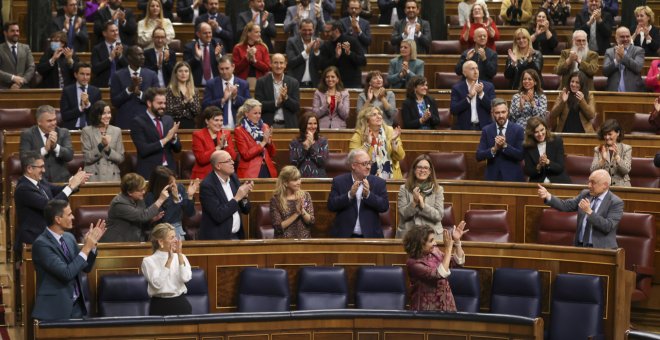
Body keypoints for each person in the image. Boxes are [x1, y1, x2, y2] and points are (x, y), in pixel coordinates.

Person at [31, 200, 106, 320]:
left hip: (76, 307)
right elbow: (66, 273)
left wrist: (92, 246)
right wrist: (86, 247)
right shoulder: (41, 244)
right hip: (55, 310)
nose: (73, 217)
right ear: (58, 219)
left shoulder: (69, 237)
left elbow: (85, 267)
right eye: (69, 214)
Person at [14, 152, 88, 255]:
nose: (44, 170)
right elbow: (49, 206)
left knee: (67, 251)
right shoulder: (23, 189)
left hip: (50, 235)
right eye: (41, 167)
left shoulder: (40, 181)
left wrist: (75, 184)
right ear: (29, 168)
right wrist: (70, 187)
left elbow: (56, 189)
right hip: (34, 239)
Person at [537, 169, 623, 249]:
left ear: (605, 185)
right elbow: (566, 205)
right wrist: (548, 196)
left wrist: (589, 212)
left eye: (593, 183)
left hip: (602, 250)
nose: (589, 185)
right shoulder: (585, 194)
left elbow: (608, 226)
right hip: (580, 247)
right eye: (589, 181)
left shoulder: (615, 202)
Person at [403, 224, 467, 311]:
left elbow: (457, 262)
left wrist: (457, 241)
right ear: (420, 243)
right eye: (431, 241)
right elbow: (439, 274)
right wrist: (448, 249)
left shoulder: (434, 251)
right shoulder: (413, 263)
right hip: (426, 311)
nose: (435, 243)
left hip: (447, 306)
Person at [327, 149, 389, 238]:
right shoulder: (339, 181)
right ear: (353, 165)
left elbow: (384, 206)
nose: (368, 167)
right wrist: (349, 195)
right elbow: (331, 206)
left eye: (369, 163)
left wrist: (368, 195)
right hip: (344, 236)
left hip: (370, 237)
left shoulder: (379, 183)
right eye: (364, 164)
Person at [199, 150, 253, 240]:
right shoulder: (207, 186)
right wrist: (237, 198)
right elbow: (218, 215)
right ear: (218, 166)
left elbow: (246, 210)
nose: (233, 163)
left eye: (232, 160)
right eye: (228, 161)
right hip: (218, 241)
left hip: (237, 237)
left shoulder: (233, 178)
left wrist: (244, 196)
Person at [101, 173, 169, 242]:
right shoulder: (119, 204)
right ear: (130, 192)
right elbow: (142, 216)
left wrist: (151, 220)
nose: (144, 192)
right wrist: (161, 200)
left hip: (134, 241)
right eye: (140, 190)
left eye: (144, 189)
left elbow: (139, 220)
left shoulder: (139, 199)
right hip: (116, 244)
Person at [141, 223, 192, 315]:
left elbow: (185, 278)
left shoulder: (181, 257)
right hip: (160, 306)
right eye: (172, 237)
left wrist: (179, 256)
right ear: (161, 242)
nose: (176, 240)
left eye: (175, 237)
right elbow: (157, 284)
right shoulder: (148, 261)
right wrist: (169, 260)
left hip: (180, 303)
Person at [131, 88, 182, 179]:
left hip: (169, 170)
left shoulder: (168, 120)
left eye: (164, 103)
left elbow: (178, 149)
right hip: (150, 171)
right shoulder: (138, 122)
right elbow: (143, 150)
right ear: (149, 103)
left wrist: (174, 139)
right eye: (159, 103)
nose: (163, 106)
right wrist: (166, 139)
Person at [19, 105, 74, 183]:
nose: (53, 123)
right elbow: (24, 158)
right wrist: (45, 149)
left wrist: (55, 146)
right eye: (49, 121)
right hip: (37, 182)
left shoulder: (63, 132)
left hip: (61, 181)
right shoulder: (28, 134)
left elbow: (69, 156)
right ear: (39, 122)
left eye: (55, 119)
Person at [475, 98, 525, 182]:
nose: (501, 115)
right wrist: (494, 149)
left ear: (507, 112)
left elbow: (521, 155)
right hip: (492, 177)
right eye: (497, 113)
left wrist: (505, 146)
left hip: (513, 177)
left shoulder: (518, 129)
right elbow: (479, 156)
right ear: (492, 113)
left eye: (503, 112)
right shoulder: (486, 130)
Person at [349, 106, 405, 180]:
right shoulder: (359, 135)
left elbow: (400, 157)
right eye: (374, 115)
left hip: (392, 178)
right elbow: (353, 160)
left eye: (379, 114)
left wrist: (394, 142)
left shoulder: (390, 131)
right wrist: (367, 144)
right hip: (368, 180)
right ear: (366, 120)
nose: (378, 116)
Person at [111, 45, 160, 129]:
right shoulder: (117, 75)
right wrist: (129, 89)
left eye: (143, 54)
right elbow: (115, 101)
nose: (143, 57)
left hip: (147, 122)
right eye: (139, 55)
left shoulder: (151, 75)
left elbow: (156, 99)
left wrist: (139, 93)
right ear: (129, 57)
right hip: (125, 122)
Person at [396, 154, 445, 238]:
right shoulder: (404, 188)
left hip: (432, 235)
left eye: (426, 168)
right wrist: (414, 203)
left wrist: (423, 206)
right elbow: (403, 214)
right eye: (419, 167)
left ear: (430, 172)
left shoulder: (438, 189)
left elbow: (439, 215)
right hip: (409, 235)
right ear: (414, 170)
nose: (422, 170)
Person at [145, 167, 199, 240]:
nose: (174, 184)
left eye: (174, 180)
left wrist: (190, 196)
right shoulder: (150, 196)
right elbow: (167, 219)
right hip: (160, 231)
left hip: (177, 230)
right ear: (162, 184)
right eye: (170, 183)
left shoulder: (179, 188)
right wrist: (170, 199)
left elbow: (190, 213)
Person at [201, 56, 251, 128]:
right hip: (216, 127)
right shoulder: (211, 84)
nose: (224, 72)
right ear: (218, 68)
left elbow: (249, 106)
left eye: (227, 68)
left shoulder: (243, 84)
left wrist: (235, 97)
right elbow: (205, 105)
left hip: (238, 126)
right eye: (221, 69)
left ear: (233, 66)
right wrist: (222, 100)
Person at [81, 100, 124, 182]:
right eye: (104, 113)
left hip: (112, 177)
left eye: (109, 113)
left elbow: (120, 158)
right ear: (96, 115)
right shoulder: (87, 131)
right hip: (93, 177)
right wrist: (101, 146)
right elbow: (87, 158)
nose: (107, 116)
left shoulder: (117, 131)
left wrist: (108, 150)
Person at [234, 99, 277, 178]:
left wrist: (269, 142)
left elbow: (272, 154)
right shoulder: (239, 130)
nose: (258, 116)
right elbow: (246, 155)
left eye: (260, 113)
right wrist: (263, 142)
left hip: (267, 168)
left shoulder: (265, 126)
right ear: (246, 114)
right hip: (250, 170)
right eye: (255, 113)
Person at [255, 53, 300, 128]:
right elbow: (258, 105)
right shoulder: (261, 82)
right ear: (270, 64)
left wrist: (286, 98)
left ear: (285, 65)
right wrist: (276, 103)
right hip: (267, 125)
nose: (279, 66)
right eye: (275, 63)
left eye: (281, 63)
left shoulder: (293, 82)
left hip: (288, 125)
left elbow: (296, 107)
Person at [191, 106, 237, 180]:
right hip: (203, 176)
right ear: (207, 121)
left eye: (221, 120)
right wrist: (218, 147)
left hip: (223, 174)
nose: (219, 123)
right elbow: (201, 159)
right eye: (216, 120)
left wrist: (225, 145)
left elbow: (233, 157)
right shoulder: (198, 135)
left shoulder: (226, 134)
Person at [318, 20, 367, 89]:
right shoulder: (326, 45)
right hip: (332, 84)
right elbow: (322, 66)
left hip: (351, 83)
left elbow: (363, 61)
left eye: (328, 32)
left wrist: (349, 53)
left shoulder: (351, 41)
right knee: (332, 100)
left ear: (336, 30)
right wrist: (336, 57)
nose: (325, 34)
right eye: (325, 31)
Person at [270, 165, 315, 239]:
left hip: (304, 241)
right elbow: (278, 227)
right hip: (284, 243)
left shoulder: (305, 195)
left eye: (299, 179)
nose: (299, 182)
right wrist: (297, 213)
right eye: (295, 180)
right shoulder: (276, 200)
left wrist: (302, 210)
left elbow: (311, 221)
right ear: (285, 182)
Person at [522, 116, 571, 183]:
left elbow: (560, 167)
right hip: (538, 182)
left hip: (558, 181)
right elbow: (528, 171)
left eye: (542, 130)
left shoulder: (556, 141)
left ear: (546, 129)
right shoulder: (527, 146)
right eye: (536, 132)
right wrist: (539, 166)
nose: (540, 134)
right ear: (531, 133)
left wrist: (548, 162)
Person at [450, 61, 495, 131]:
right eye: (472, 69)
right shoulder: (457, 88)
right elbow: (453, 110)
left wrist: (481, 94)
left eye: (477, 68)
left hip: (484, 128)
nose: (476, 71)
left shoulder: (488, 87)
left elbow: (493, 108)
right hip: (464, 129)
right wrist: (469, 97)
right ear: (464, 73)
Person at [60, 62, 102, 130]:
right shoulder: (67, 91)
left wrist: (88, 104)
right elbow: (65, 115)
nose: (85, 77)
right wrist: (81, 108)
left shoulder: (96, 91)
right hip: (72, 128)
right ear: (75, 74)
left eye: (88, 74)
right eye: (82, 74)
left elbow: (98, 115)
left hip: (90, 129)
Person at [590, 119, 632, 187]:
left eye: (610, 134)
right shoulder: (598, 149)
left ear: (618, 133)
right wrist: (602, 160)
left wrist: (618, 158)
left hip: (622, 187)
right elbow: (592, 171)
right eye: (605, 134)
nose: (607, 137)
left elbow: (626, 170)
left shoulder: (626, 149)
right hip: (603, 187)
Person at [603, 26, 645, 93]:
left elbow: (637, 68)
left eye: (627, 36)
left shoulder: (638, 50)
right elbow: (605, 72)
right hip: (613, 91)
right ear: (616, 38)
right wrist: (616, 61)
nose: (625, 39)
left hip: (633, 91)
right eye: (622, 37)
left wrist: (623, 56)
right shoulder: (609, 52)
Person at [183, 22, 224, 87]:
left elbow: (224, 64)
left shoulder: (216, 44)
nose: (208, 35)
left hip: (216, 85)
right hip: (196, 86)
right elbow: (185, 67)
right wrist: (196, 57)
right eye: (205, 33)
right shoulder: (189, 47)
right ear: (198, 34)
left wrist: (218, 56)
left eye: (210, 32)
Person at [290, 113, 329, 178]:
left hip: (319, 178)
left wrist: (311, 147)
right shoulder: (295, 142)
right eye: (310, 123)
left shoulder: (323, 141)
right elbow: (293, 164)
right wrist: (305, 149)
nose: (313, 126)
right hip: (299, 178)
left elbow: (323, 163)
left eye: (315, 123)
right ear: (303, 124)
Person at [285, 18, 321, 88]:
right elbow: (291, 62)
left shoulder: (319, 43)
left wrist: (316, 52)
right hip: (296, 84)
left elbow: (320, 66)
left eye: (310, 30)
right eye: (304, 30)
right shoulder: (291, 42)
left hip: (314, 84)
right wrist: (306, 52)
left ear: (313, 30)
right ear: (299, 30)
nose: (307, 33)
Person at [90, 21, 127, 88]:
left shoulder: (124, 48)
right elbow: (95, 69)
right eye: (112, 31)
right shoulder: (97, 49)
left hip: (121, 85)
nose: (116, 33)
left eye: (116, 30)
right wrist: (110, 59)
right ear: (104, 33)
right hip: (102, 85)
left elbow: (128, 67)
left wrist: (120, 56)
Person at [166, 61, 201, 129]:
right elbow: (170, 111)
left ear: (189, 73)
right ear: (175, 73)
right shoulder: (170, 89)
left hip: (190, 123)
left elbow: (197, 111)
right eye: (180, 71)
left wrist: (190, 100)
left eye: (186, 71)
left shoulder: (194, 90)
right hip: (174, 123)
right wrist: (184, 102)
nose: (183, 74)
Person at [0, 22, 35, 89]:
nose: (16, 33)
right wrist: (13, 78)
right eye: (12, 31)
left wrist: (21, 81)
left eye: (17, 31)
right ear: (5, 33)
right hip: (4, 89)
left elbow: (31, 67)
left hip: (23, 87)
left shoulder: (26, 48)